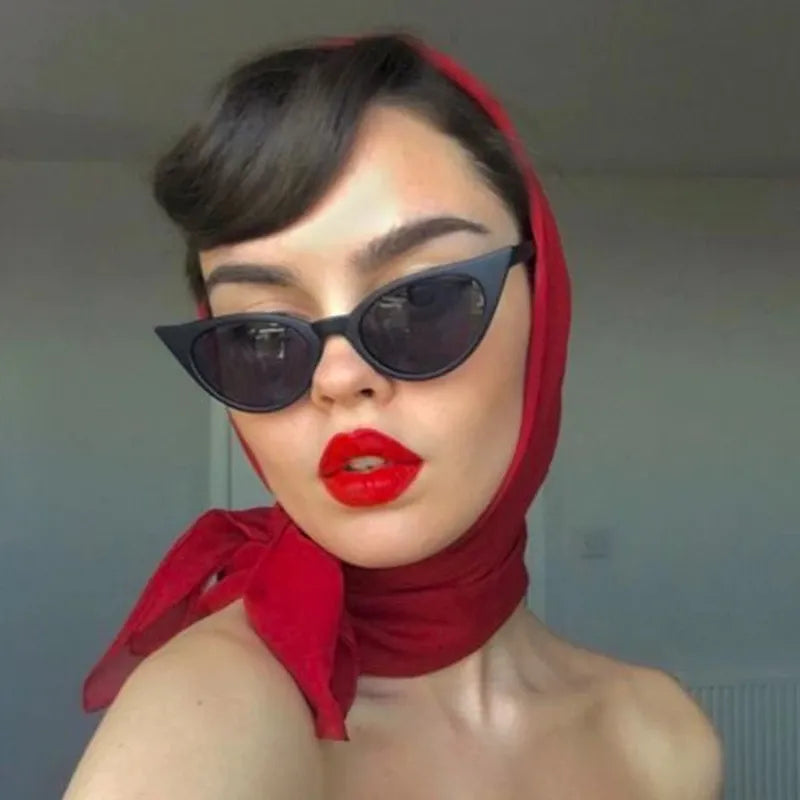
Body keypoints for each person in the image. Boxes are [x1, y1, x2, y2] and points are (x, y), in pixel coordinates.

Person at [63, 31, 723, 800]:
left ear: (544, 308)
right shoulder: (209, 716)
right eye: (262, 334)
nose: (339, 378)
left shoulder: (663, 743)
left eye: (423, 300)